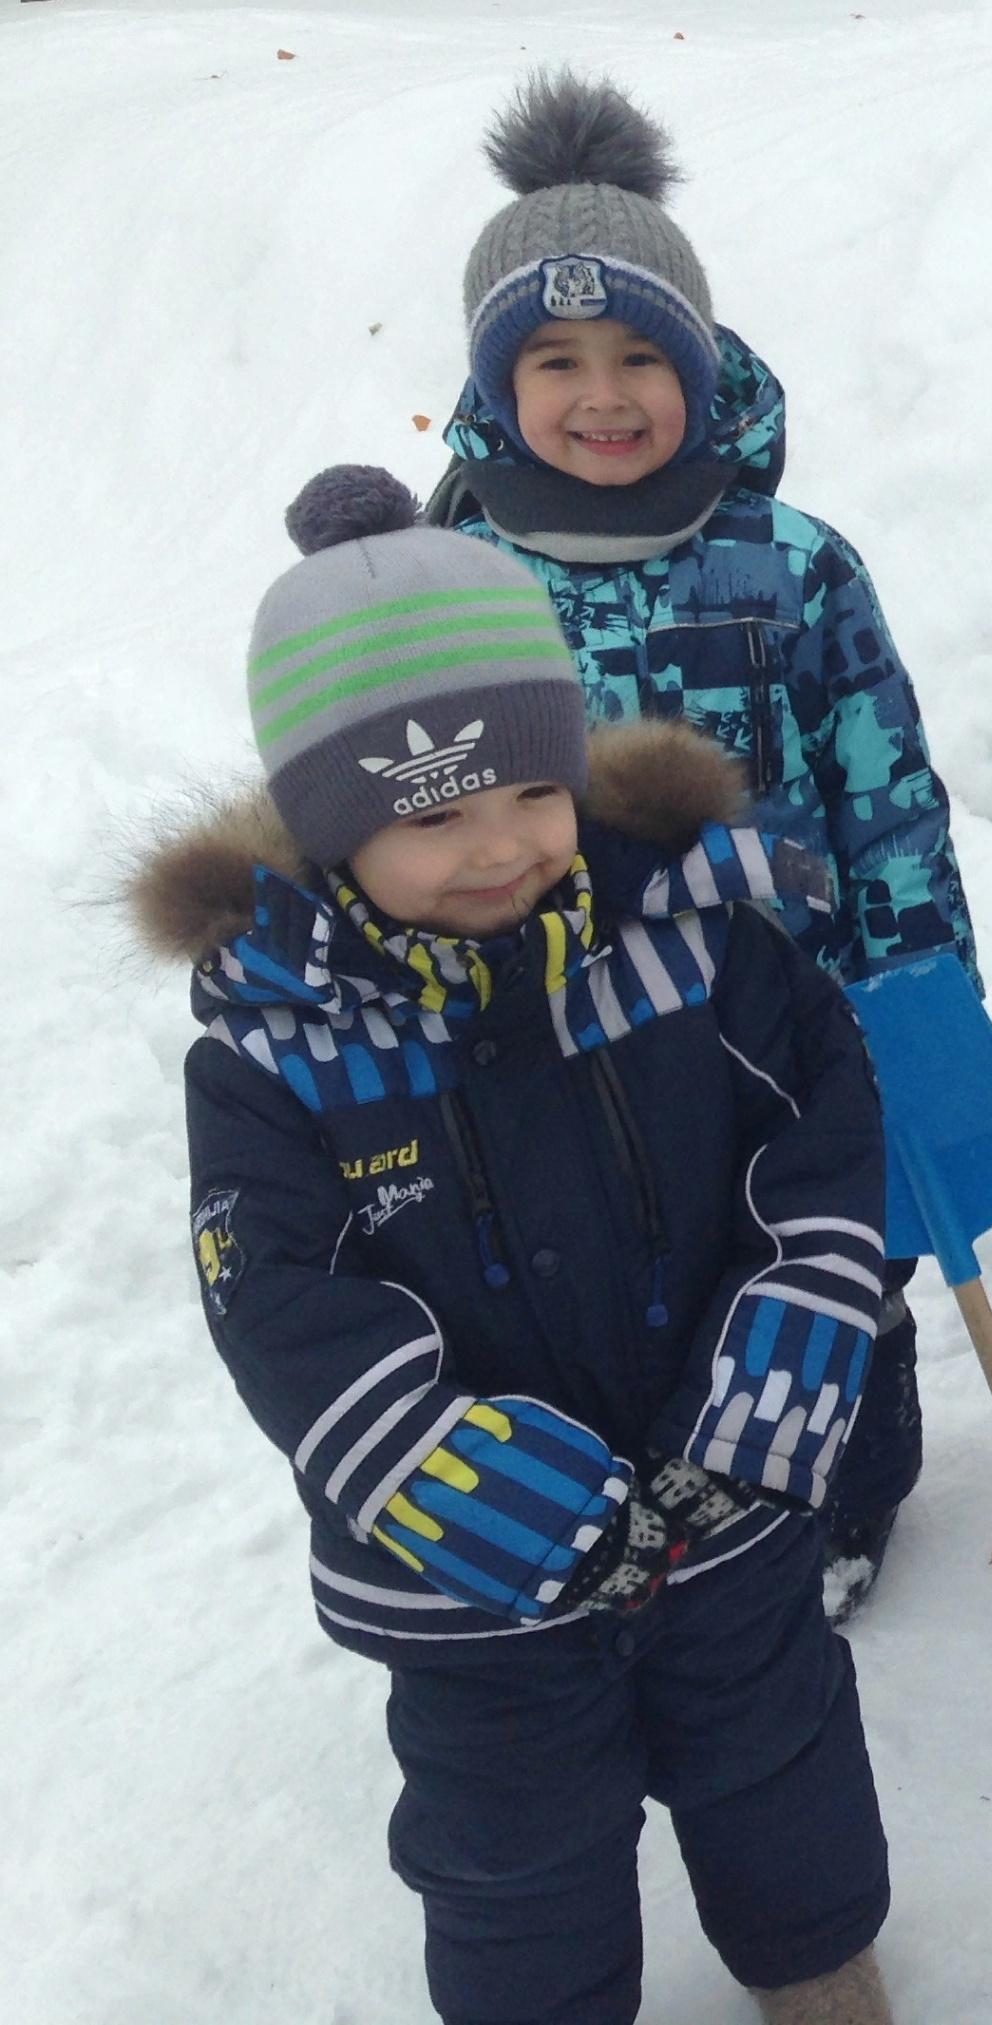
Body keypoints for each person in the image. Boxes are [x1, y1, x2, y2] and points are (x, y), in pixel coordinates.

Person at [141, 470, 894, 2025]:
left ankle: (821, 1975)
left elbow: (822, 1135)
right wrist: (450, 1478)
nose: (498, 848)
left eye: (529, 795)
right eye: (430, 813)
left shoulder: (695, 944)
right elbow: (274, 1294)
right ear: (333, 827)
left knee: (781, 1761)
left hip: (723, 1498)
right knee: (513, 1857)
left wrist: (787, 1359)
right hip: (476, 1588)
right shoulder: (277, 1054)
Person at [430, 70, 974, 1615]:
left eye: (638, 356)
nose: (603, 394)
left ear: (702, 363)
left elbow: (887, 791)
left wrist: (917, 982)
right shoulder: (450, 579)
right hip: (564, 1023)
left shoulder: (793, 566)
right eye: (555, 360)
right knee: (643, 1267)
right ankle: (674, 1492)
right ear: (495, 386)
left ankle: (856, 1486)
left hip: (784, 1008)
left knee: (829, 1257)